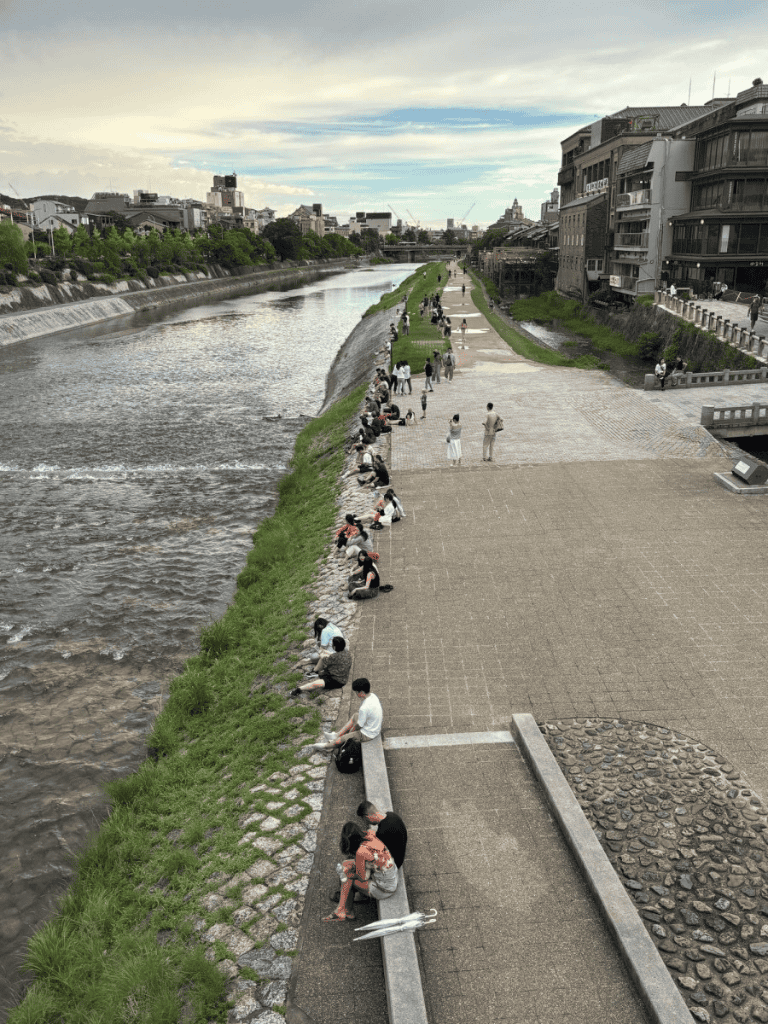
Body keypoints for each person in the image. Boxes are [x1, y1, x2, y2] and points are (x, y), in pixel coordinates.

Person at [323, 819, 397, 923]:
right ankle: (349, 902)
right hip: (390, 875)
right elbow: (371, 861)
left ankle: (348, 911)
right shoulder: (370, 834)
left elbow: (362, 878)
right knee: (346, 864)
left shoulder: (360, 853)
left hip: (384, 889)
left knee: (348, 878)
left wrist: (351, 874)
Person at [313, 677, 383, 750]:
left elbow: (359, 726)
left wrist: (351, 730)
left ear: (361, 692)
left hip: (367, 734)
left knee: (343, 739)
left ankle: (326, 746)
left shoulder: (364, 708)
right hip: (375, 728)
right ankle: (337, 735)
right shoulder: (373, 696)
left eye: (356, 692)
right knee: (355, 715)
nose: (356, 694)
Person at [357, 800, 407, 869]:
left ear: (367, 817)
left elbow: (376, 854)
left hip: (394, 863)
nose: (366, 823)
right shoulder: (391, 815)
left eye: (365, 821)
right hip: (400, 856)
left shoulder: (382, 832)